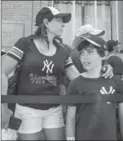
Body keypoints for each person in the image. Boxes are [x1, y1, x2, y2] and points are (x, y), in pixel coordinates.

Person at [2, 6, 80, 140]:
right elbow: (2, 72)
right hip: (27, 109)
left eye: (63, 21)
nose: (63, 24)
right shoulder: (25, 44)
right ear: (46, 23)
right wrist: (2, 107)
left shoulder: (63, 50)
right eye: (58, 20)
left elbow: (78, 78)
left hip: (54, 109)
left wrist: (104, 69)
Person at [66, 35, 123, 140]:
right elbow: (70, 118)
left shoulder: (116, 82)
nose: (85, 56)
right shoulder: (75, 84)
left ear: (103, 55)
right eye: (82, 53)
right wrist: (70, 138)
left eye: (90, 52)